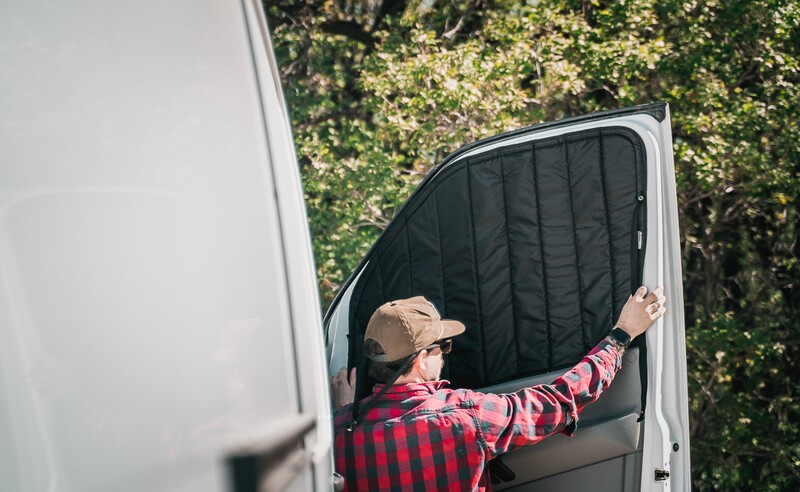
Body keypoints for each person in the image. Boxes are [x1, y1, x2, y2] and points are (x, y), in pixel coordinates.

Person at [330, 287, 666, 491]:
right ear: (420, 359)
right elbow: (561, 399)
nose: (446, 356)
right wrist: (621, 335)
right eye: (443, 346)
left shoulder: (336, 436)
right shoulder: (465, 417)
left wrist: (340, 412)